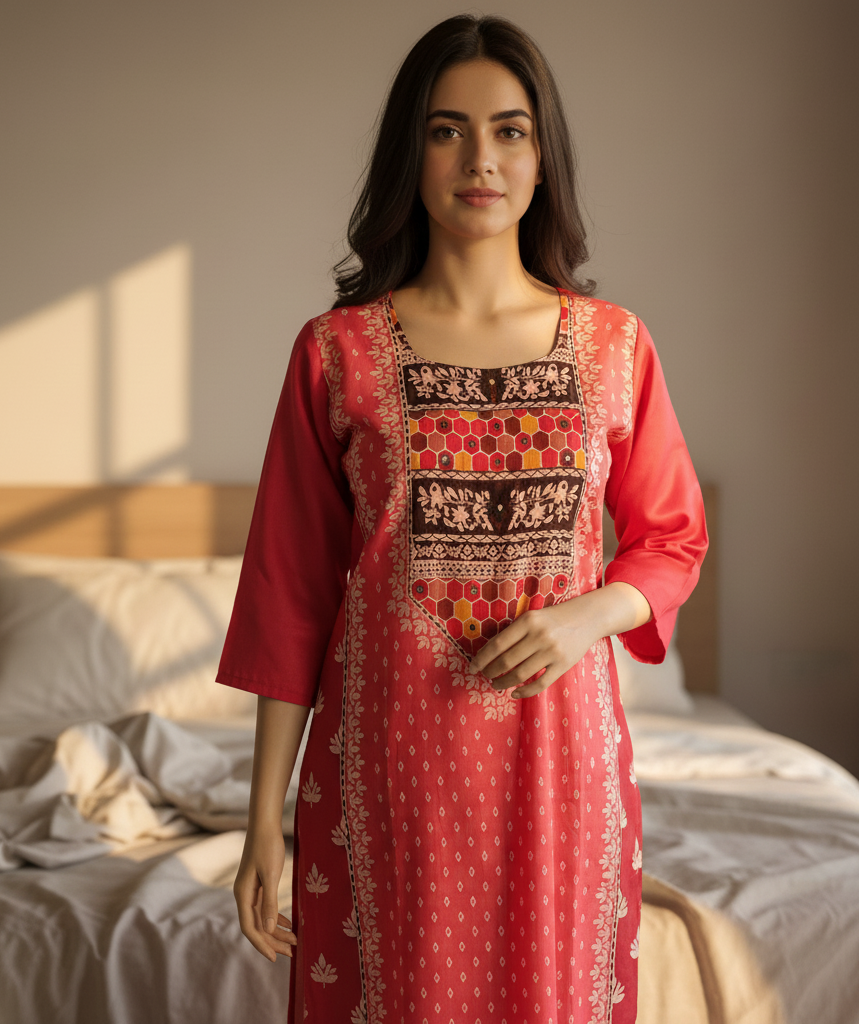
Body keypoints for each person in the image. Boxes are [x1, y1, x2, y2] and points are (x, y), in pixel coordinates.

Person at [216, 14, 707, 1024]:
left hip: (559, 762)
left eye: (509, 130)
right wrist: (261, 817)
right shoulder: (337, 354)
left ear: (541, 155)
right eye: (446, 130)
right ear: (412, 150)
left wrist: (586, 613)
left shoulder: (614, 347)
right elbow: (288, 593)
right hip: (390, 763)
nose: (480, 158)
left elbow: (671, 538)